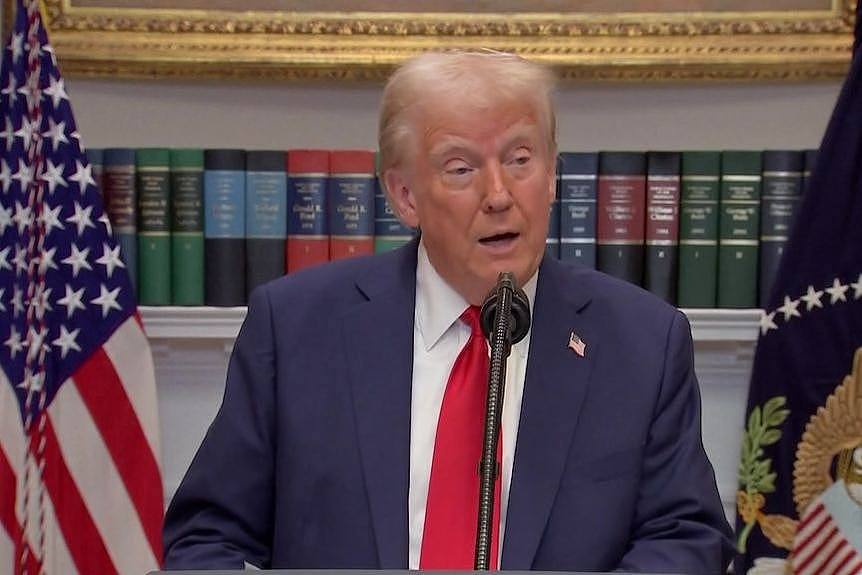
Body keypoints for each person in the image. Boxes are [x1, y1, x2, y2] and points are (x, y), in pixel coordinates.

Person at [163, 50, 734, 573]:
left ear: (554, 173)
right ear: (405, 196)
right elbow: (208, 538)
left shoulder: (641, 341)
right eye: (460, 168)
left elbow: (685, 537)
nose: (499, 193)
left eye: (520, 159)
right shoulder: (295, 329)